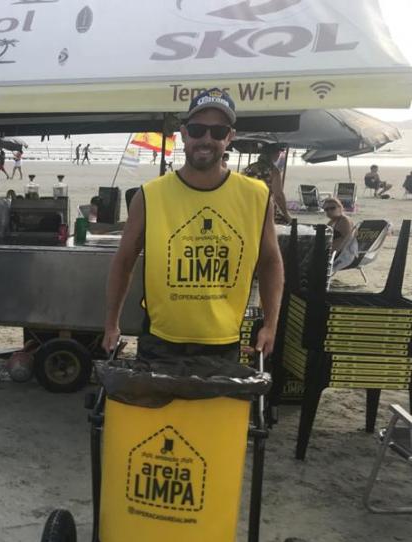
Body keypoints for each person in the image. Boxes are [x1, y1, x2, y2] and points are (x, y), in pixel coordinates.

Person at [104, 88, 283, 362]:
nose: (206, 139)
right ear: (184, 134)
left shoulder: (257, 196)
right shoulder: (150, 195)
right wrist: (111, 324)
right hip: (160, 340)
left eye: (218, 131)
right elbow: (124, 260)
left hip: (223, 342)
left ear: (230, 137)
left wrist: (271, 324)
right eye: (198, 129)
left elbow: (271, 262)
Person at [243, 142, 291, 225]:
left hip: (245, 209)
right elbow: (278, 195)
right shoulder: (273, 171)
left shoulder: (248, 168)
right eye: (278, 153)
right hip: (264, 211)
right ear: (273, 154)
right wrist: (286, 214)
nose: (279, 155)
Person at [323, 197, 358, 272]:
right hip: (333, 253)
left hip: (342, 256)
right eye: (326, 209)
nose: (329, 211)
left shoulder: (344, 221)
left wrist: (331, 255)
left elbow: (346, 241)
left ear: (340, 208)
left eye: (332, 208)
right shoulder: (333, 221)